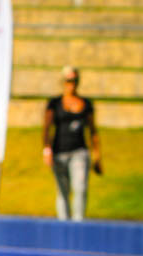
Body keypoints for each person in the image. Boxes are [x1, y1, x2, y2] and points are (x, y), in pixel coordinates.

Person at [42, 66, 101, 221]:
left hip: (79, 152)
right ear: (63, 82)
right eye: (68, 80)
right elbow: (47, 128)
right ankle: (64, 224)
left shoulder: (86, 104)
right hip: (59, 152)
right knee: (63, 191)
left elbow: (93, 131)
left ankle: (78, 223)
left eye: (74, 80)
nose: (71, 84)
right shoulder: (54, 103)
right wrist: (47, 150)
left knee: (80, 188)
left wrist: (97, 155)